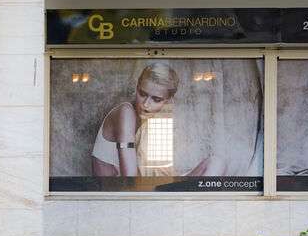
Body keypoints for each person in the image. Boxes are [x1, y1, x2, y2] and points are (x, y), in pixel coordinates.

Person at [91, 62, 220, 177]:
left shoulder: (152, 120)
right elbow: (129, 178)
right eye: (142, 94)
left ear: (168, 101)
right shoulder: (126, 112)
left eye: (156, 99)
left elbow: (159, 172)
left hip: (143, 188)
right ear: (137, 87)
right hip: (118, 192)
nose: (146, 104)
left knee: (215, 163)